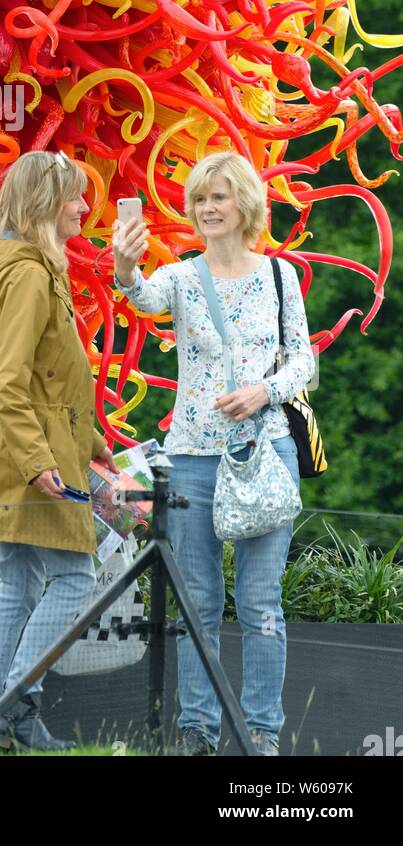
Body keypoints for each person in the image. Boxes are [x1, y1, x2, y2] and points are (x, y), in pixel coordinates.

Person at [113, 151, 315, 756]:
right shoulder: (179, 276)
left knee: (261, 606)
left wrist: (264, 391)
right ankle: (197, 732)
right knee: (197, 604)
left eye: (219, 197)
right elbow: (142, 299)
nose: (207, 209)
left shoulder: (280, 277)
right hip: (192, 459)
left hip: (264, 452)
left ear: (245, 204)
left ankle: (260, 734)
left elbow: (302, 359)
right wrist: (124, 266)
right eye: (200, 199)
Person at [0, 148, 118, 751]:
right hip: (27, 462)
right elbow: (9, 379)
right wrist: (41, 464)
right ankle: (15, 703)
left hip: (15, 454)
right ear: (47, 204)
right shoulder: (28, 275)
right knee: (76, 578)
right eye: (75, 196)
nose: (83, 206)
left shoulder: (20, 269)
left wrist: (93, 446)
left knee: (18, 583)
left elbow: (47, 382)